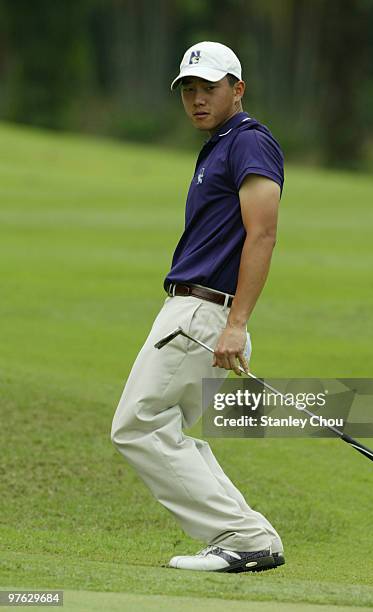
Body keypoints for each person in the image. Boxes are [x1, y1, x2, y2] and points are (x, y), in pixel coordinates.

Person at [111, 41, 285, 573]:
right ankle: (241, 533)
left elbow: (263, 234)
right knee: (155, 425)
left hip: (204, 314)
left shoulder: (249, 142)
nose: (196, 98)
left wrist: (236, 325)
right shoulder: (218, 145)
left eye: (208, 87)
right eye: (188, 89)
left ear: (238, 88)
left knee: (139, 424)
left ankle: (244, 536)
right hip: (196, 312)